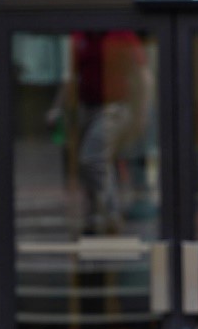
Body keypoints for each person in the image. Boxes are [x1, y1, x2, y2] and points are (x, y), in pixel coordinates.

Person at [47, 29, 151, 235]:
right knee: (91, 164)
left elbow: (142, 75)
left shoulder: (122, 36)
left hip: (115, 108)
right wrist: (57, 107)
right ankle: (95, 214)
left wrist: (142, 113)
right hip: (86, 108)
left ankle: (112, 214)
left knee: (92, 158)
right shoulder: (80, 36)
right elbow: (72, 76)